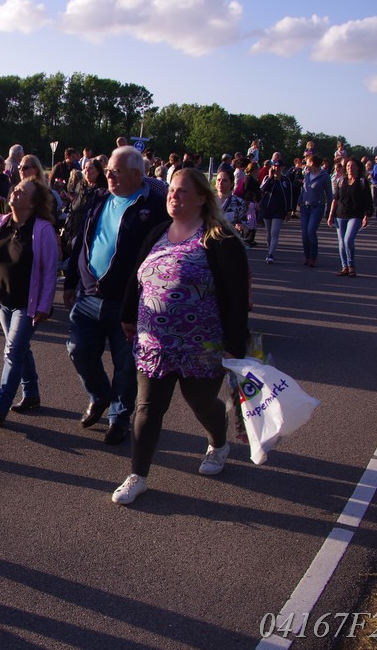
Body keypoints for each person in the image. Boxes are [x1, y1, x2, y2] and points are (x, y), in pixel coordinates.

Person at [111, 169, 249, 505]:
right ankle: (138, 475)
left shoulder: (220, 240)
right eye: (172, 190)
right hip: (154, 344)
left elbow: (236, 297)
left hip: (201, 347)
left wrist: (235, 346)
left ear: (202, 198)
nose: (173, 196)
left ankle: (218, 442)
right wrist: (128, 314)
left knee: (200, 402)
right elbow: (137, 276)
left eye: (183, 191)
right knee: (147, 408)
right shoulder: (158, 232)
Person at [63, 146, 168, 446]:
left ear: (137, 174)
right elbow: (81, 243)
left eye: (116, 171)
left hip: (127, 301)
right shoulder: (98, 199)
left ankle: (119, 418)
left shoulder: (155, 206)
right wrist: (70, 281)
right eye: (108, 169)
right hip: (88, 295)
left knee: (125, 364)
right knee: (78, 350)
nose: (108, 175)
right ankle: (99, 396)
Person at [0, 176, 59, 427]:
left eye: (22, 192)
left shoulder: (43, 230)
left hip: (27, 305)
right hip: (1, 301)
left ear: (33, 202)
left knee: (12, 351)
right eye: (15, 189)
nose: (15, 192)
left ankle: (0, 407)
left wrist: (44, 306)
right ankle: (31, 394)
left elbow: (50, 272)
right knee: (20, 348)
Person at [327, 158, 371, 277]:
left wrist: (366, 216)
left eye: (352, 166)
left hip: (355, 215)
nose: (349, 168)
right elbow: (335, 199)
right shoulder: (342, 181)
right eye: (347, 166)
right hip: (340, 214)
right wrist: (330, 214)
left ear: (357, 167)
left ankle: (351, 265)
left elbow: (368, 200)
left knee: (348, 240)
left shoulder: (362, 181)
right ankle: (344, 267)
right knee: (341, 242)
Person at [299, 155, 332, 267]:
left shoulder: (325, 176)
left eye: (307, 162)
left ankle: (313, 257)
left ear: (312, 163)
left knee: (310, 231)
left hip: (317, 207)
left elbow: (329, 194)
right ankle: (307, 256)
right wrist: (299, 201)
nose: (306, 164)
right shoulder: (307, 175)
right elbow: (303, 190)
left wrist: (329, 211)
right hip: (305, 207)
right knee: (304, 233)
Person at [259, 160, 292, 264]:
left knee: (274, 232)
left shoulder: (285, 180)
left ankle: (271, 254)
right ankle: (270, 250)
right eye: (275, 166)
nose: (277, 168)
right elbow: (263, 190)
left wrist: (289, 210)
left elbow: (289, 195)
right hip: (267, 208)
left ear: (282, 168)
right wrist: (270, 178)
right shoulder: (267, 179)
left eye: (279, 166)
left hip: (279, 210)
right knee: (268, 233)